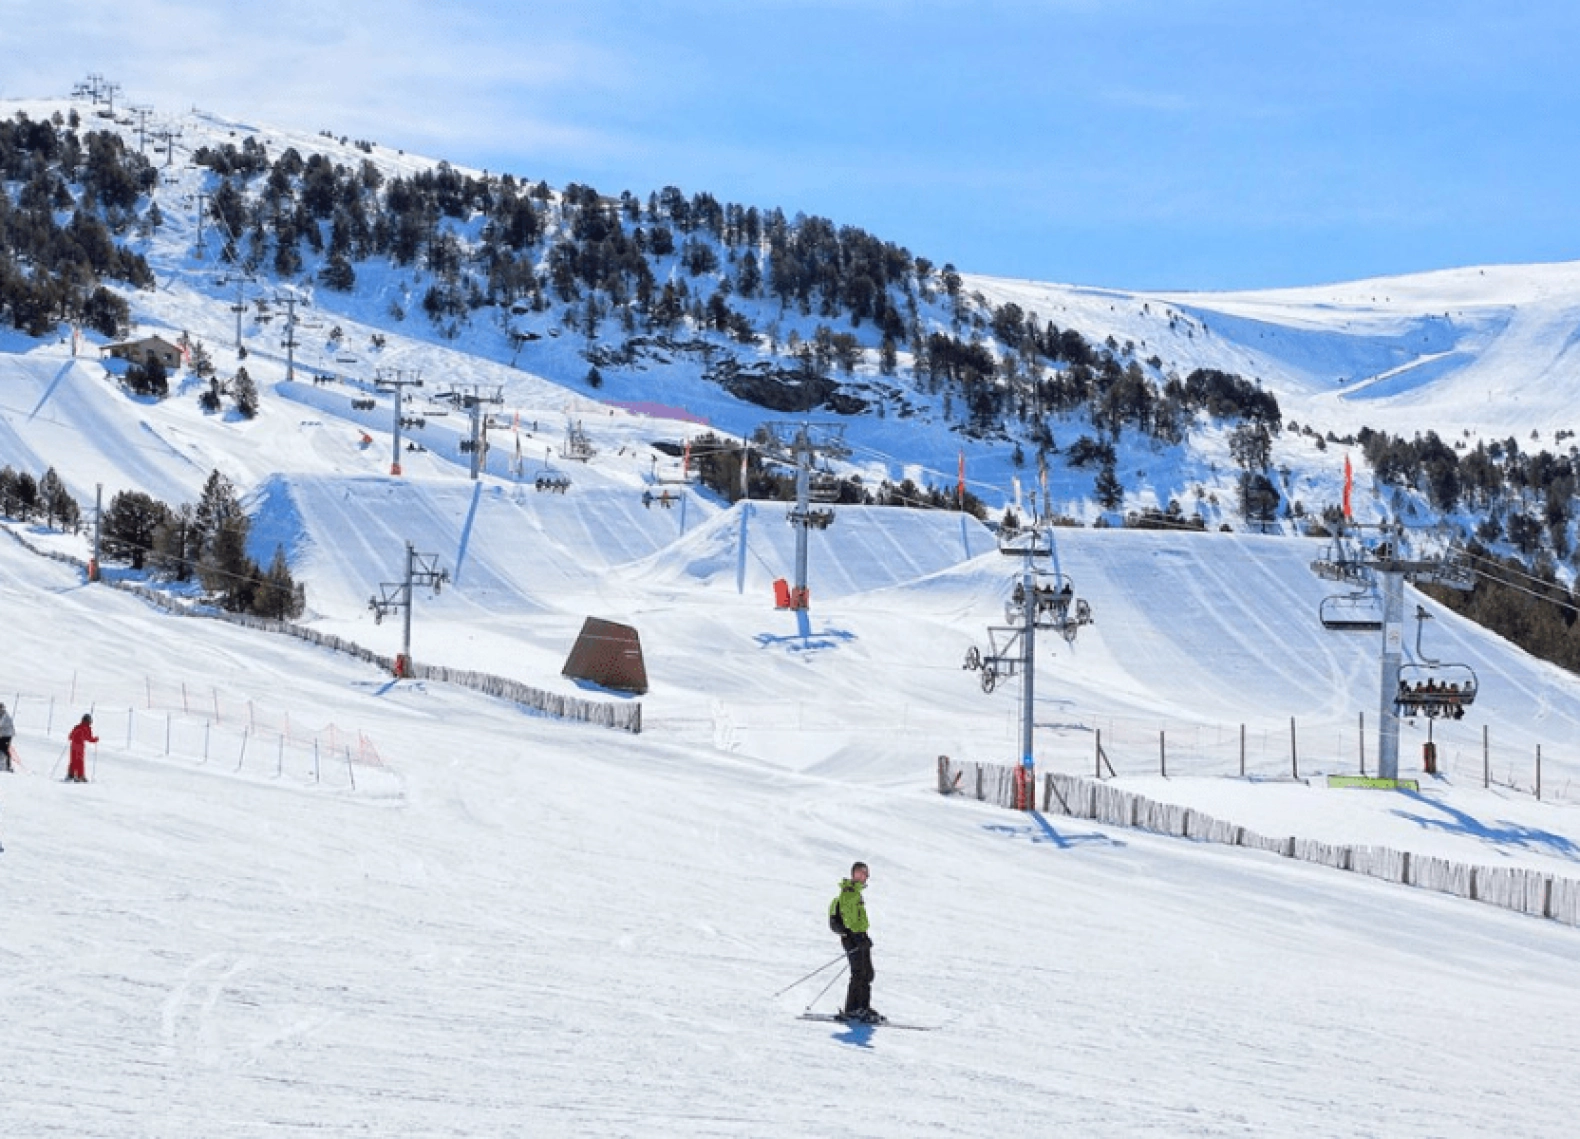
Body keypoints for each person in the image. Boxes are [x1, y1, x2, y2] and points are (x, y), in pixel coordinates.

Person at [830, 861, 879, 1023]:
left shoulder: (855, 893)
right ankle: (853, 1009)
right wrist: (858, 938)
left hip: (859, 936)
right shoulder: (849, 892)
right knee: (859, 973)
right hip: (853, 937)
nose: (863, 876)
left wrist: (863, 937)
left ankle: (862, 1006)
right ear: (853, 874)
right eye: (860, 873)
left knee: (866, 973)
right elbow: (850, 918)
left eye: (865, 874)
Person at [67, 713, 98, 783]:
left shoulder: (77, 726)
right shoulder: (87, 728)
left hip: (73, 746)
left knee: (73, 760)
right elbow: (89, 738)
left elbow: (70, 736)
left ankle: (71, 774)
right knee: (80, 761)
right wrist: (95, 739)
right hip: (80, 747)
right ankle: (80, 776)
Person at [0, 701, 13, 772]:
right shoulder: (2, 715)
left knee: (5, 750)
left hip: (7, 735)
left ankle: (8, 766)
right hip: (3, 735)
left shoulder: (5, 716)